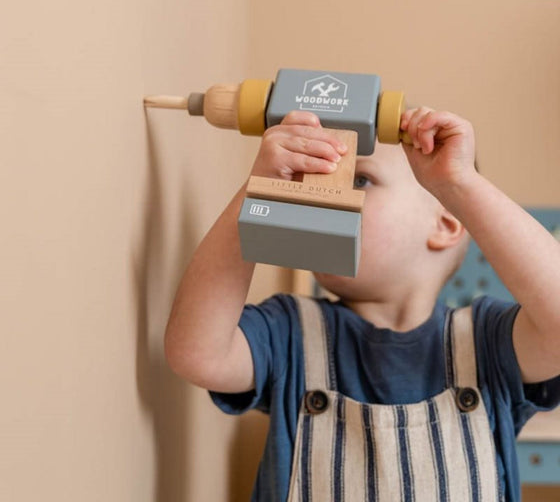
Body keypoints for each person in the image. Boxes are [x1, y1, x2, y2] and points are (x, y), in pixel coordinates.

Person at [164, 107, 560, 501]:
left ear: (446, 223)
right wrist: (260, 191)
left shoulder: (487, 343)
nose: (327, 194)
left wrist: (461, 185)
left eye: (358, 179)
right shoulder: (289, 331)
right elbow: (197, 354)